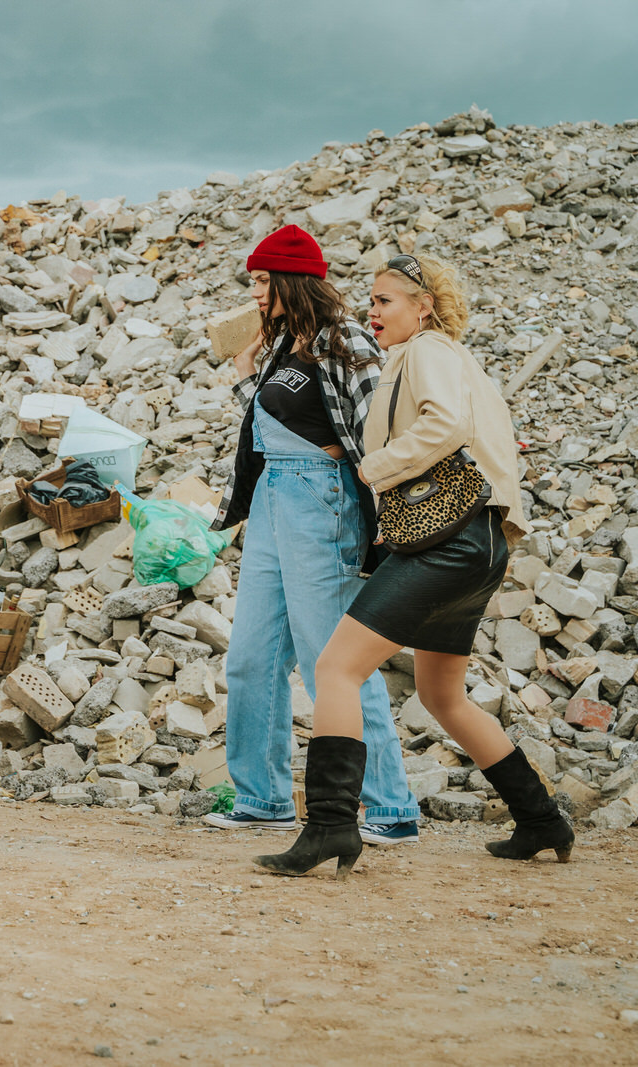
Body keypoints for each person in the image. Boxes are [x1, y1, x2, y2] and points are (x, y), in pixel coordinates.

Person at [256, 252, 573, 879]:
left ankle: (330, 826)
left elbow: (445, 425)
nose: (371, 311)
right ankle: (540, 819)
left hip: (447, 540)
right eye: (370, 300)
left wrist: (370, 469)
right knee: (441, 695)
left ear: (423, 306)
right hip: (481, 541)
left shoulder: (428, 350)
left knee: (336, 668)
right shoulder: (447, 357)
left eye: (384, 300)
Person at [208, 225, 421, 845]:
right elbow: (273, 422)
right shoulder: (284, 342)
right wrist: (246, 368)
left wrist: (380, 511)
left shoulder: (344, 337)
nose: (254, 293)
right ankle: (263, 798)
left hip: (321, 500)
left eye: (262, 280)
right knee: (251, 658)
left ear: (292, 280)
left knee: (335, 661)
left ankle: (391, 807)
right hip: (273, 498)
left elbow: (378, 426)